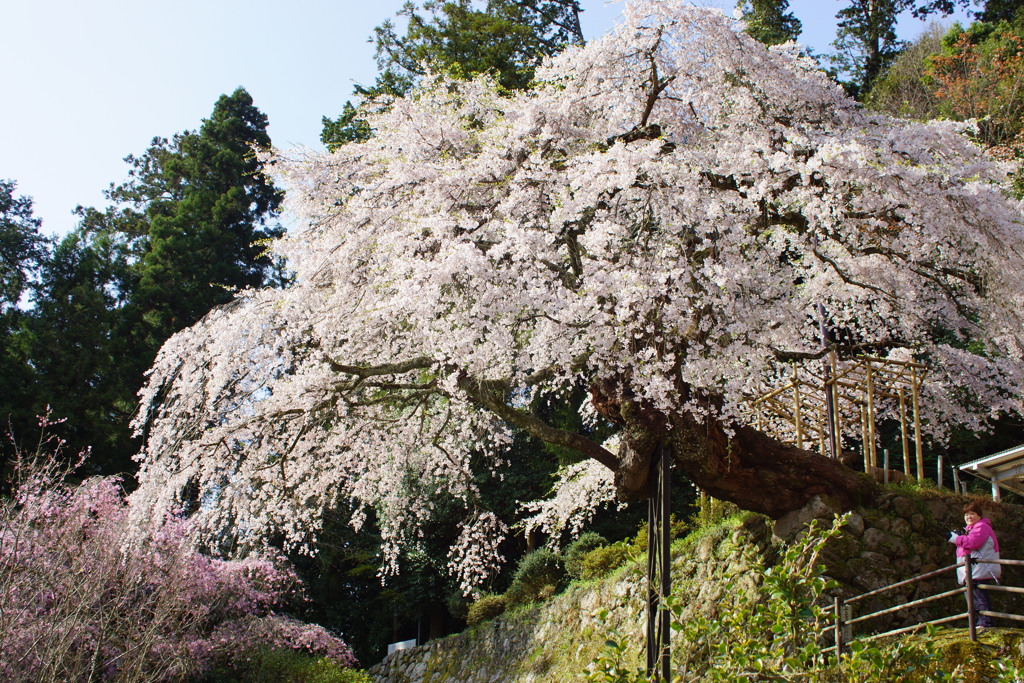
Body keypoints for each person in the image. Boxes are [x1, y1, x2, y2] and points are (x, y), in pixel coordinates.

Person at [950, 501, 1001, 630]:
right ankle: (979, 623)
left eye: (972, 513)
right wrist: (959, 537)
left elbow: (973, 543)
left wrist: (956, 538)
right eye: (966, 514)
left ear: (979, 515)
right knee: (973, 597)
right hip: (971, 569)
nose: (969, 517)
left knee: (979, 596)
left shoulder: (982, 526)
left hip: (978, 569)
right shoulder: (970, 529)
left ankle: (986, 623)